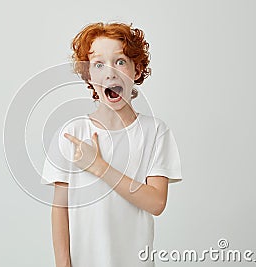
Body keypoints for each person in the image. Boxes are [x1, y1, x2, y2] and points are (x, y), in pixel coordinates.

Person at [40, 22, 183, 267]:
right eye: (98, 65)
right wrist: (63, 264)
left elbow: (157, 203)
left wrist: (99, 167)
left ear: (136, 71)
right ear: (89, 76)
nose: (110, 73)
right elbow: (59, 209)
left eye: (120, 62)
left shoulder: (155, 131)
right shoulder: (72, 133)